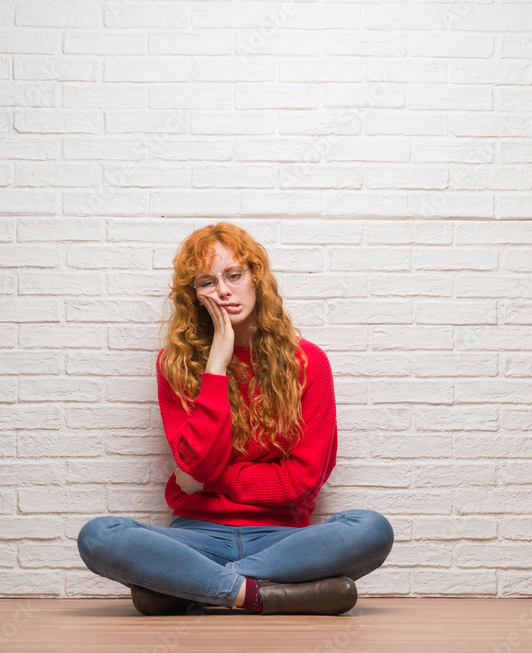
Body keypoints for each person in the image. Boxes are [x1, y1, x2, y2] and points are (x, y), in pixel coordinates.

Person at [77, 222, 395, 616]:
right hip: (197, 535)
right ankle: (259, 594)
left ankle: (192, 585)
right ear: (194, 296)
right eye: (207, 282)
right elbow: (197, 463)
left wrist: (208, 481)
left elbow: (301, 481)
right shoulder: (174, 365)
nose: (224, 290)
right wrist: (217, 366)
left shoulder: (309, 362)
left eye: (233, 275)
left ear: (255, 278)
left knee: (371, 528)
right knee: (99, 536)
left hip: (282, 541)